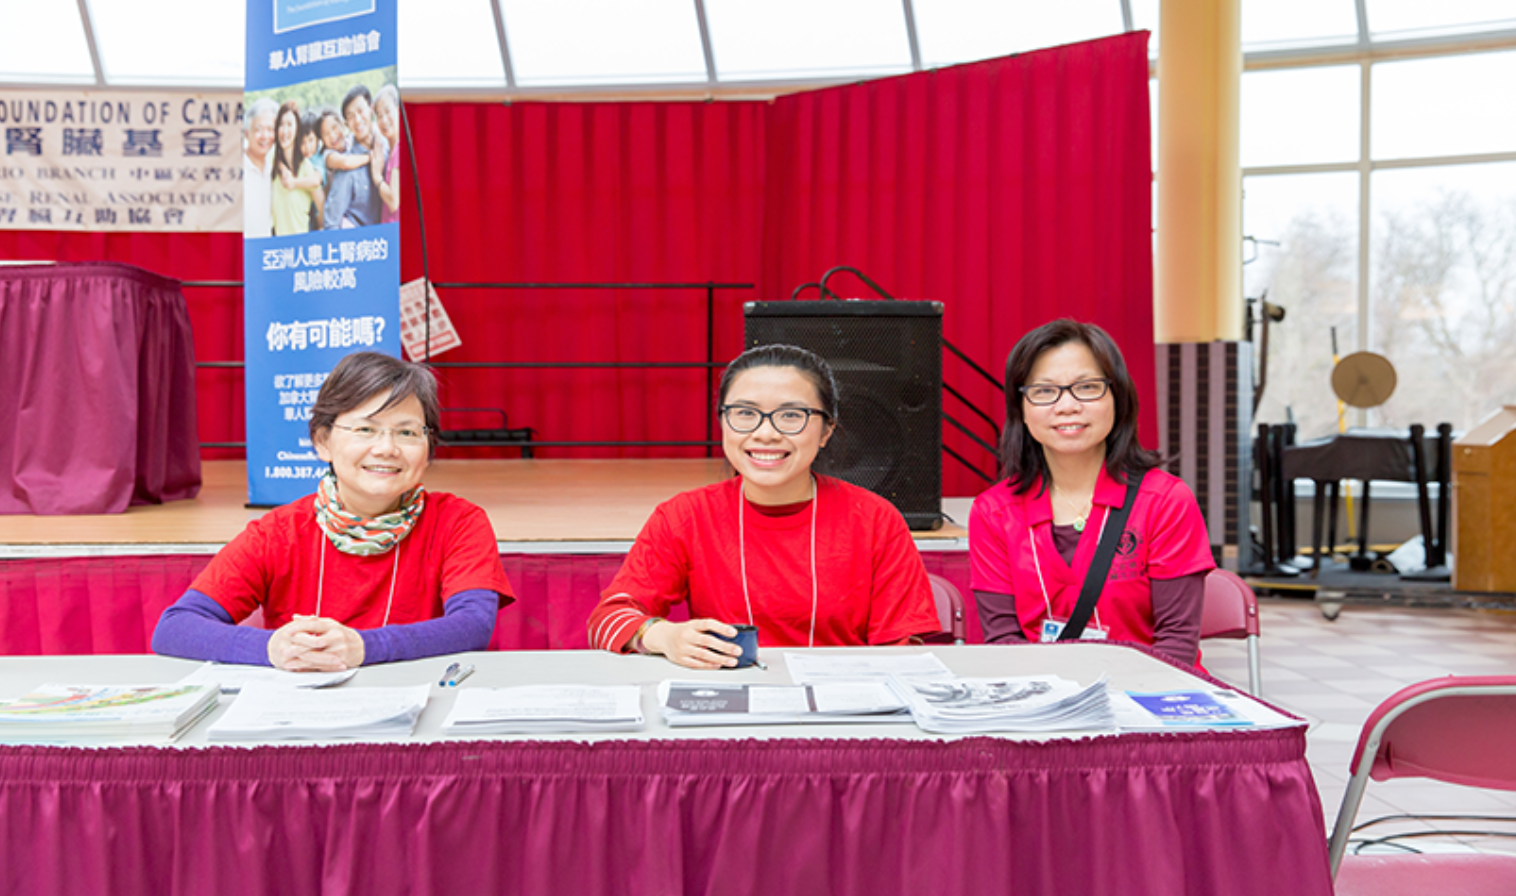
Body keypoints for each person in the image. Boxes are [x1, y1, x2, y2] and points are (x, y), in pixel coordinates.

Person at [152, 352, 514, 670]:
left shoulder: (458, 522)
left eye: (406, 433)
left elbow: (472, 626)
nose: (386, 448)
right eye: (365, 429)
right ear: (322, 441)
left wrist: (364, 647)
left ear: (428, 446)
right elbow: (176, 627)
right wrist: (272, 648)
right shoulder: (279, 532)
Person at [587, 344, 940, 669]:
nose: (765, 433)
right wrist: (665, 637)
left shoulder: (875, 519)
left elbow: (903, 649)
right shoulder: (684, 516)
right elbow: (607, 620)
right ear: (723, 421)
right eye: (745, 413)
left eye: (791, 415)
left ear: (826, 430)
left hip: (842, 707)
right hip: (731, 704)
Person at [969, 319, 1214, 666]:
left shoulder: (1165, 502)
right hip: (1044, 702)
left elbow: (1176, 644)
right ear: (1021, 409)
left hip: (1147, 698)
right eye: (1043, 391)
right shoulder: (993, 512)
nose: (1067, 406)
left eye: (1086, 387)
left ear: (1118, 396)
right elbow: (1003, 642)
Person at [323, 84, 389, 229]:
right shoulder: (346, 169)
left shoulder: (388, 144)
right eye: (351, 116)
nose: (357, 120)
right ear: (346, 123)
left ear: (371, 109)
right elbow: (331, 224)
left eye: (360, 111)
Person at [270, 101, 323, 236]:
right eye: (281, 124)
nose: (285, 130)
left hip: (301, 247)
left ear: (297, 129)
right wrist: (281, 167)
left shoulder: (306, 167)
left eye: (289, 124)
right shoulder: (271, 164)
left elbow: (322, 208)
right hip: (277, 249)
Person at [242, 97, 276, 238]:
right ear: (247, 133)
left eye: (270, 129)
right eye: (259, 129)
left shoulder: (274, 171)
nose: (265, 136)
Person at [372, 84, 402, 224]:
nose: (384, 120)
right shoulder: (390, 151)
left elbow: (393, 201)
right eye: (379, 115)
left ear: (398, 110)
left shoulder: (399, 149)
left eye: (387, 112)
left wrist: (377, 178)